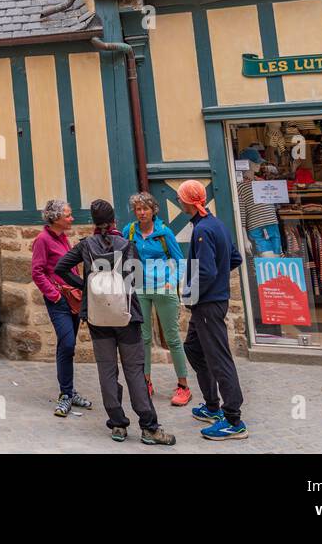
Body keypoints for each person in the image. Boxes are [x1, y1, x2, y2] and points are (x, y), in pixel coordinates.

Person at [54, 199, 175, 446]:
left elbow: (60, 268)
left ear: (93, 222)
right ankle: (149, 427)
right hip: (126, 316)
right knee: (134, 371)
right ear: (114, 220)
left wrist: (86, 286)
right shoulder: (126, 245)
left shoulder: (85, 246)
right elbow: (137, 278)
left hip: (99, 317)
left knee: (106, 370)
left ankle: (118, 424)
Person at [177, 180, 249, 440]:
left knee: (219, 359)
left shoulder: (204, 230)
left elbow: (206, 271)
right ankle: (211, 406)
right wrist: (216, 279)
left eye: (180, 198)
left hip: (207, 304)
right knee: (193, 348)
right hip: (209, 303)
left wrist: (188, 295)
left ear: (188, 201)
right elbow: (235, 258)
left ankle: (234, 420)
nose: (178, 202)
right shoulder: (215, 224)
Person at [124, 192, 193, 406]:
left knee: (172, 337)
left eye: (145, 208)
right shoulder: (130, 231)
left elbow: (180, 260)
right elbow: (124, 255)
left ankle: (183, 386)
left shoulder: (164, 232)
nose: (142, 212)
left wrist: (171, 282)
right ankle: (146, 382)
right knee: (143, 338)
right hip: (140, 289)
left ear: (153, 210)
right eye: (138, 209)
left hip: (164, 288)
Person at [31, 200, 93, 417]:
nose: (71, 218)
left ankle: (69, 390)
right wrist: (55, 296)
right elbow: (37, 272)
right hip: (59, 301)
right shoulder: (43, 240)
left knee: (69, 345)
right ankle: (66, 395)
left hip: (72, 298)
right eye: (68, 215)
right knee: (66, 344)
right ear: (55, 217)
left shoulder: (64, 238)